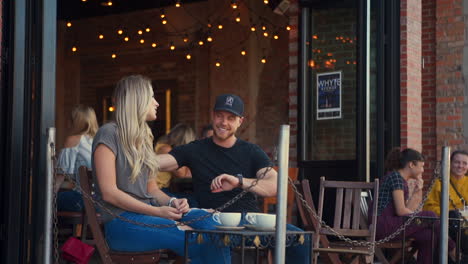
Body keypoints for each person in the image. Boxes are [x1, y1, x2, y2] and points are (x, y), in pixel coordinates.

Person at [92, 75, 229, 263]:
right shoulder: (108, 133)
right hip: (122, 224)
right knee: (198, 239)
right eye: (151, 98)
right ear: (138, 100)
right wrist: (158, 212)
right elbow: (109, 193)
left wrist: (172, 202)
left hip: (148, 216)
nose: (157, 103)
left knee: (212, 221)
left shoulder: (145, 138)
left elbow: (152, 190)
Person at [158, 93, 310, 263]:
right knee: (214, 240)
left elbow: (275, 185)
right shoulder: (195, 149)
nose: (224, 122)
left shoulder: (251, 151)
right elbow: (158, 163)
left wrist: (238, 181)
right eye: (220, 116)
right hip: (214, 222)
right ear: (213, 116)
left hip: (251, 222)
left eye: (231, 118)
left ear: (240, 121)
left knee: (300, 239)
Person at [375, 147, 456, 264]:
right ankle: (453, 250)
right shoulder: (396, 178)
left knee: (428, 236)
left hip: (393, 224)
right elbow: (401, 211)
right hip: (384, 226)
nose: (423, 170)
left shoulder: (400, 179)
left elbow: (407, 210)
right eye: (421, 166)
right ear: (411, 165)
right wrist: (423, 217)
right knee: (430, 215)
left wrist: (417, 191)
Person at [424, 150, 468, 257]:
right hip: (446, 226)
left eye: (464, 163)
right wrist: (449, 213)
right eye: (457, 162)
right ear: (450, 163)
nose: (460, 166)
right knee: (453, 216)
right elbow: (428, 207)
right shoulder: (439, 182)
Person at [56, 105, 98, 212]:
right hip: (102, 203)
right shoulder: (100, 141)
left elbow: (62, 174)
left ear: (75, 122)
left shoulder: (73, 139)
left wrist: (49, 194)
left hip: (82, 201)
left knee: (42, 199)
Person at [155, 123, 197, 206]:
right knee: (191, 202)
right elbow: (183, 174)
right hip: (156, 189)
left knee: (193, 199)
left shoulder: (165, 147)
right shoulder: (165, 149)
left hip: (163, 188)